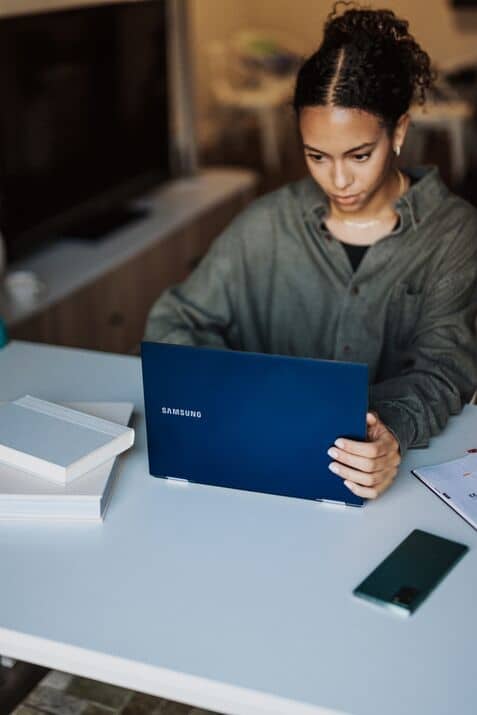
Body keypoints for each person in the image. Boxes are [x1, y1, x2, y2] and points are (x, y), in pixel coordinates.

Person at [145, 2, 477, 500]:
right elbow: (174, 321)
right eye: (316, 156)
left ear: (399, 132)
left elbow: (444, 369)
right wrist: (235, 393)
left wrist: (391, 432)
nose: (338, 180)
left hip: (386, 487)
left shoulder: (453, 231)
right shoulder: (266, 222)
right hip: (257, 475)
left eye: (359, 156)